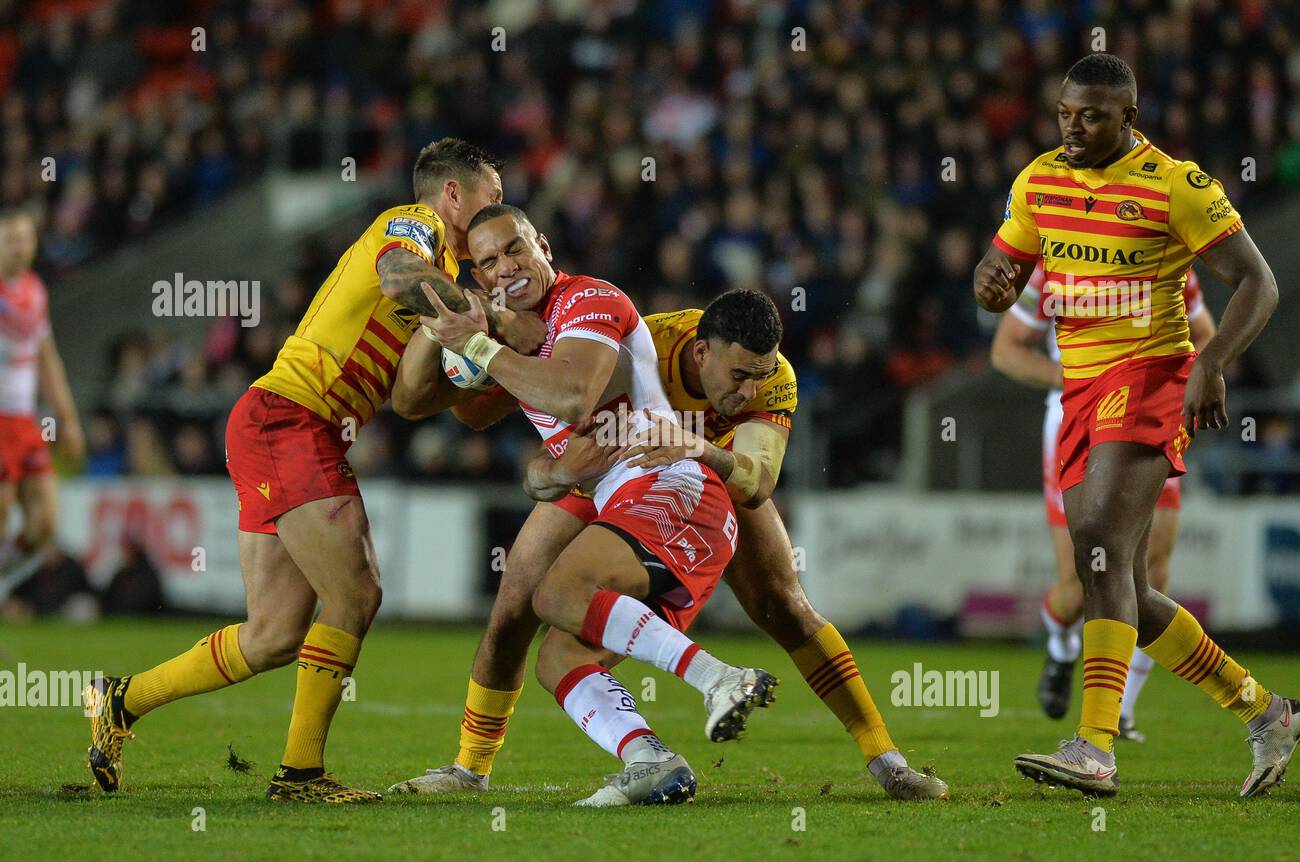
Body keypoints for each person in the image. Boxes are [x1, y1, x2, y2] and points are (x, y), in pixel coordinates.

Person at [85, 139, 544, 802]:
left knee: (272, 634)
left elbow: (416, 400)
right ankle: (299, 774)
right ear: (451, 195)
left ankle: (120, 700)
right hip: (291, 419)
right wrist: (494, 317)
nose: (494, 214)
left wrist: (497, 365)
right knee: (357, 594)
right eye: (488, 198)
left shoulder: (448, 277)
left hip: (281, 423)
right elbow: (395, 275)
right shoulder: (411, 225)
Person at [392, 290, 948, 801]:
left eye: (760, 375)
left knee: (784, 604)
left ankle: (888, 761)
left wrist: (700, 449)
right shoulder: (641, 342)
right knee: (517, 600)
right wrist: (534, 444)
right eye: (738, 375)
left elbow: (757, 482)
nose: (750, 390)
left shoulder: (775, 378)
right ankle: (471, 768)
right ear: (701, 352)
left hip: (706, 479)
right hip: (610, 469)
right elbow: (482, 411)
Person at [974, 53, 1295, 797]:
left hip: (1151, 374)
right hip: (1080, 390)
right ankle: (1266, 710)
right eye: (1064, 112)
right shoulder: (1039, 179)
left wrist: (1212, 360)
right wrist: (989, 285)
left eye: (1091, 114)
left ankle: (1094, 745)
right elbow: (1002, 271)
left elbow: (1259, 281)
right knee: (1115, 576)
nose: (1074, 127)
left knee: (1099, 548)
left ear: (1129, 117)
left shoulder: (1175, 185)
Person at [418, 204, 779, 806]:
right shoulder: (515, 342)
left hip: (674, 485)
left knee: (553, 594)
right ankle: (652, 762)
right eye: (489, 262)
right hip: (634, 503)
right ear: (479, 282)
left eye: (515, 250)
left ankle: (721, 678)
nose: (506, 267)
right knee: (558, 660)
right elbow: (425, 411)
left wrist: (478, 346)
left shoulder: (589, 301)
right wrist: (554, 470)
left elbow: (569, 396)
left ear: (544, 246)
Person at [992, 263, 1215, 741]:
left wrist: (1193, 375)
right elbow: (1006, 350)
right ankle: (1060, 642)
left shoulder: (1170, 259)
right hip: (1078, 424)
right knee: (1081, 586)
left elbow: (1207, 332)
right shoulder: (1059, 263)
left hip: (1152, 417)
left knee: (1151, 570)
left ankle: (1120, 713)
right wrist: (1077, 379)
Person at [0, 209, 84, 602]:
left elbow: (48, 359)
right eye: (11, 238)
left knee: (45, 523)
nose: (20, 247)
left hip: (25, 421)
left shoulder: (34, 290)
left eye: (26, 238)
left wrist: (67, 419)